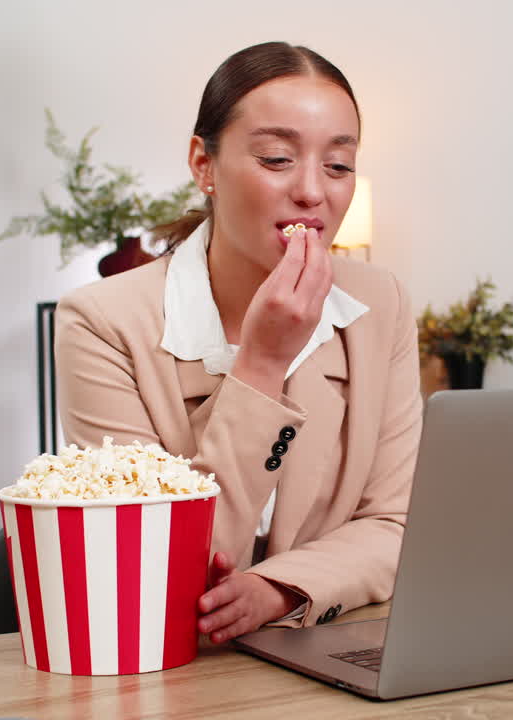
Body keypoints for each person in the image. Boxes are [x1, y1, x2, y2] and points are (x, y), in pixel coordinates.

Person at [54, 41, 423, 644]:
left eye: (338, 165)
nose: (312, 191)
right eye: (277, 158)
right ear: (204, 165)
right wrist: (262, 364)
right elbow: (150, 569)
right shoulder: (100, 324)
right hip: (167, 664)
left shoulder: (382, 305)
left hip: (320, 649)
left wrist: (281, 588)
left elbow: (395, 524)